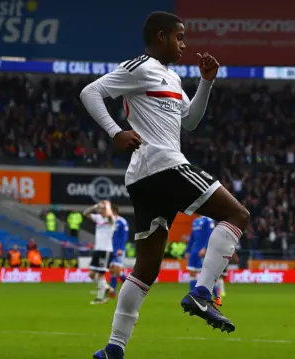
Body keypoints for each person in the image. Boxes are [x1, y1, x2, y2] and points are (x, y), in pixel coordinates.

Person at [81, 11, 249, 359]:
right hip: (163, 165)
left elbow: (190, 122)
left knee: (146, 267)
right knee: (236, 213)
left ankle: (114, 348)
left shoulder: (171, 78)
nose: (184, 44)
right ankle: (202, 293)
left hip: (145, 178)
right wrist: (115, 132)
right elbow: (91, 92)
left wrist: (206, 82)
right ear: (161, 36)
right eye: (180, 37)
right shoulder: (140, 66)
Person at [84, 200, 116, 305]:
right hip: (98, 250)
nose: (101, 210)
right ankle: (107, 288)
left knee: (101, 275)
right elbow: (85, 213)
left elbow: (110, 217)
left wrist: (107, 207)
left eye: (103, 209)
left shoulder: (111, 219)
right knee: (92, 274)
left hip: (106, 251)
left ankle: (100, 298)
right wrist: (95, 206)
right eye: (101, 209)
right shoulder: (98, 218)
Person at [185, 216, 221, 305]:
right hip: (194, 251)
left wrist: (205, 248)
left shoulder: (208, 220)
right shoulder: (195, 221)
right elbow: (192, 237)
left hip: (204, 251)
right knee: (192, 273)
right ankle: (193, 297)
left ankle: (217, 297)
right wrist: (188, 250)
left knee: (208, 276)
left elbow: (211, 235)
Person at [109, 205, 129, 299]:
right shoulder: (109, 222)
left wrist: (121, 248)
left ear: (114, 212)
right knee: (112, 270)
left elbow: (124, 236)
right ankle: (112, 291)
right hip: (110, 249)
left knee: (117, 271)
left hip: (119, 249)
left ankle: (130, 288)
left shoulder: (122, 221)